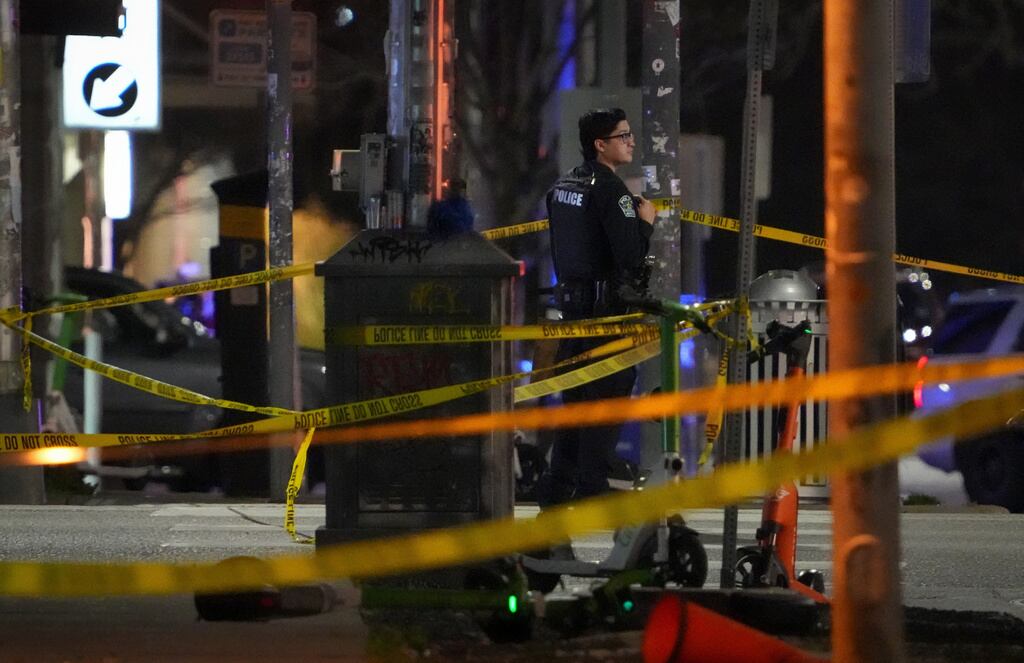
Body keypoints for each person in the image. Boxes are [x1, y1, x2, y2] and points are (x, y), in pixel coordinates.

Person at [536, 107, 656, 508]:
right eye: (623, 136)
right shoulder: (611, 191)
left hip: (572, 311)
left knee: (575, 401)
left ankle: (558, 486)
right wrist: (646, 222)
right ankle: (594, 484)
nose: (631, 141)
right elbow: (631, 257)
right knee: (609, 393)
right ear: (600, 144)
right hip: (605, 314)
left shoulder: (563, 186)